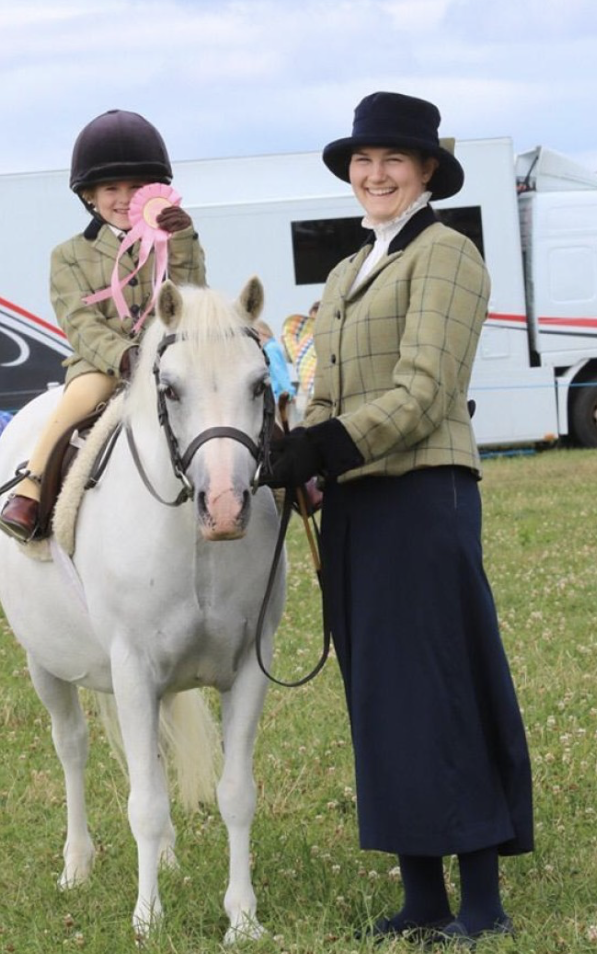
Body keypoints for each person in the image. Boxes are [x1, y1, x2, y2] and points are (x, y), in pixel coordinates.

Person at [264, 92, 533, 947]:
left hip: (423, 496)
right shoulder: (346, 272)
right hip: (355, 504)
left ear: (424, 172)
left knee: (441, 686)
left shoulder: (448, 256)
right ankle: (422, 895)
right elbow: (329, 391)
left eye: (392, 161)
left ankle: (482, 902)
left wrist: (328, 446)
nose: (373, 174)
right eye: (361, 160)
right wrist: (296, 452)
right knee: (380, 695)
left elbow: (423, 391)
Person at [0, 109, 207, 540]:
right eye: (111, 188)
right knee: (80, 398)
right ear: (90, 195)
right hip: (101, 365)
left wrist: (183, 239)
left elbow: (192, 298)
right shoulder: (69, 254)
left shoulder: (171, 241)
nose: (123, 197)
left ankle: (275, 476)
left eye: (135, 188)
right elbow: (79, 320)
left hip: (169, 358)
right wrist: (124, 355)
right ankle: (32, 485)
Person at [281, 301, 318, 418]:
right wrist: (287, 345)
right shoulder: (302, 337)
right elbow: (291, 359)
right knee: (303, 415)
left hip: (320, 384)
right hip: (305, 385)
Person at [253, 318, 296, 402]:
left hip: (276, 396)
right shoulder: (272, 347)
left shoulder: (270, 349)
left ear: (262, 333)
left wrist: (290, 392)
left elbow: (278, 371)